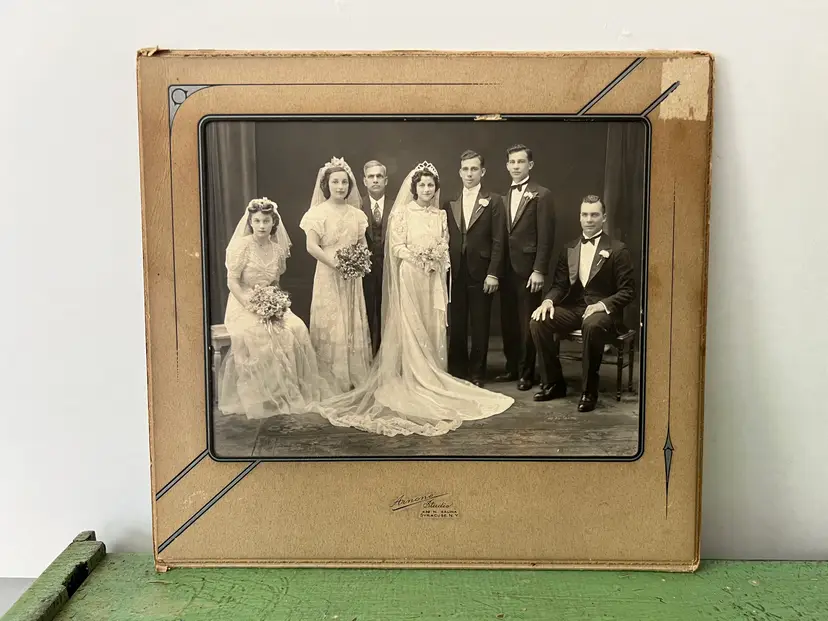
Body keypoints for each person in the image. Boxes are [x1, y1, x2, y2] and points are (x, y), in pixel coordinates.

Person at [308, 161, 514, 437]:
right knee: (406, 321)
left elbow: (445, 243)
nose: (426, 189)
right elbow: (397, 246)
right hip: (409, 274)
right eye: (422, 185)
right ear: (414, 187)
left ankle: (432, 371)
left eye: (431, 185)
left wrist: (434, 256)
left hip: (431, 276)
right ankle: (408, 372)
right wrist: (418, 257)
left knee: (431, 321)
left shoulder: (441, 214)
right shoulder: (402, 213)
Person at [217, 197, 332, 419]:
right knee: (258, 334)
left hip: (270, 301)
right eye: (257, 221)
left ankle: (285, 389)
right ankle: (262, 394)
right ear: (250, 222)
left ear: (273, 223)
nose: (261, 226)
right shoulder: (241, 246)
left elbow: (275, 282)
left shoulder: (278, 250)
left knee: (297, 328)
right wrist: (250, 303)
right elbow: (232, 281)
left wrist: (277, 302)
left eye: (266, 221)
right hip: (243, 302)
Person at [528, 195, 635, 412]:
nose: (589, 219)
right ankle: (554, 384)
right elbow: (559, 284)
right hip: (575, 308)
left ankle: (589, 391)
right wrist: (548, 300)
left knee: (592, 325)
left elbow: (628, 291)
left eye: (594, 214)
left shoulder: (617, 249)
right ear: (579, 217)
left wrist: (602, 304)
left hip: (604, 312)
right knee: (538, 321)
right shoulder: (570, 248)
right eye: (585, 214)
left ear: (603, 218)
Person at [299, 157, 373, 394]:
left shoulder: (357, 214)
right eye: (335, 182)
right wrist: (336, 264)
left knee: (351, 320)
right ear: (326, 185)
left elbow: (362, 243)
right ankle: (332, 376)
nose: (340, 187)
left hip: (352, 277)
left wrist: (359, 261)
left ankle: (353, 373)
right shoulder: (317, 213)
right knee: (331, 322)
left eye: (344, 182)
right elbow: (311, 246)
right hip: (328, 274)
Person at [443, 149, 506, 387]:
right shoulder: (450, 200)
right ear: (460, 172)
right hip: (456, 271)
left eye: (474, 169)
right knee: (457, 322)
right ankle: (457, 370)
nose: (469, 174)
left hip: (482, 272)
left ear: (483, 171)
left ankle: (478, 372)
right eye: (465, 169)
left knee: (480, 324)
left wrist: (493, 273)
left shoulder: (494, 200)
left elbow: (499, 239)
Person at [496, 144, 556, 391]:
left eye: (521, 162)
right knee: (508, 321)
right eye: (512, 162)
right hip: (506, 269)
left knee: (526, 323)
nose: (516, 166)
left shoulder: (542, 194)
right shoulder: (504, 196)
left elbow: (546, 235)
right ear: (507, 165)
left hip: (529, 270)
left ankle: (526, 372)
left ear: (530, 165)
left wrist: (539, 269)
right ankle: (512, 367)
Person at [360, 160, 391, 357]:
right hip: (365, 270)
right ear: (364, 181)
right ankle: (367, 357)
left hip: (389, 268)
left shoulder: (397, 205)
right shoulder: (357, 205)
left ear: (386, 180)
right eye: (371, 177)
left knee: (387, 313)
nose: (375, 180)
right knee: (367, 312)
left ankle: (386, 356)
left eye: (379, 176)